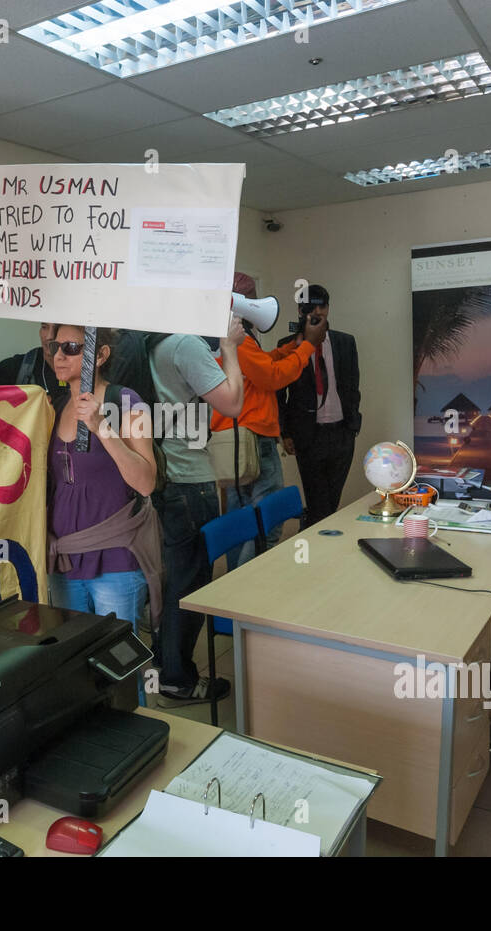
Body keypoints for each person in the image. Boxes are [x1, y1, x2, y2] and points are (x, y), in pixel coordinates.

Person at [150, 313, 246, 704]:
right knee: (189, 586)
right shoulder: (184, 344)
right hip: (189, 478)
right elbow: (234, 402)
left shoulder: (151, 342)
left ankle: (166, 665)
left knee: (176, 579)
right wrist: (229, 347)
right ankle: (177, 678)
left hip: (165, 474)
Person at [46, 325, 162, 633]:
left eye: (71, 348)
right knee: (73, 660)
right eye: (55, 347)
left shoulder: (127, 402)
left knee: (117, 664)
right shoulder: (54, 407)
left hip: (115, 559)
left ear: (101, 355)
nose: (59, 355)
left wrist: (102, 427)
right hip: (64, 560)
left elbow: (146, 482)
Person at [214, 272, 318, 568]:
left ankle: (236, 583)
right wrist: (308, 346)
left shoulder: (224, 337)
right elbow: (272, 378)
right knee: (268, 522)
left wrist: (292, 346)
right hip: (254, 439)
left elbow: (260, 366)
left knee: (239, 521)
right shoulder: (237, 340)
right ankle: (254, 586)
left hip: (233, 441)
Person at [276, 284, 361, 527]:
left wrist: (352, 426)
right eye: (310, 307)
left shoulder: (345, 342)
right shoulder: (289, 345)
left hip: (342, 433)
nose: (316, 311)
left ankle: (317, 534)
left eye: (321, 306)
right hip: (307, 436)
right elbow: (279, 393)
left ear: (327, 308)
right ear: (301, 310)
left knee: (332, 500)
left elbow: (352, 386)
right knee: (318, 501)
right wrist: (285, 432)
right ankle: (316, 541)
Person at [0, 322, 67, 400]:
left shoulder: (82, 368)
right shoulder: (21, 365)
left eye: (57, 328)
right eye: (44, 327)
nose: (49, 336)